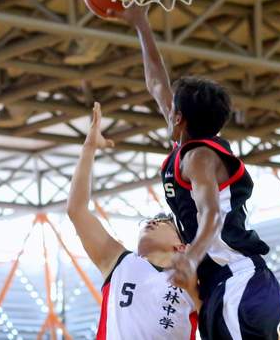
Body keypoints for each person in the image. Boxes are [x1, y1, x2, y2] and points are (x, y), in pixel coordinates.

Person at [117, 6, 280, 340]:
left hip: (239, 280)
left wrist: (191, 258)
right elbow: (156, 82)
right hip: (221, 287)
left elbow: (210, 214)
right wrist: (140, 23)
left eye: (172, 110)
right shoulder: (190, 145)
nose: (166, 109)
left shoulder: (199, 158)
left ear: (178, 118)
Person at [67, 103, 200, 340]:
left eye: (163, 222)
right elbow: (76, 210)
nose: (152, 222)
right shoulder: (118, 262)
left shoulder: (194, 278)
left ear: (181, 246)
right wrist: (89, 148)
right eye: (149, 220)